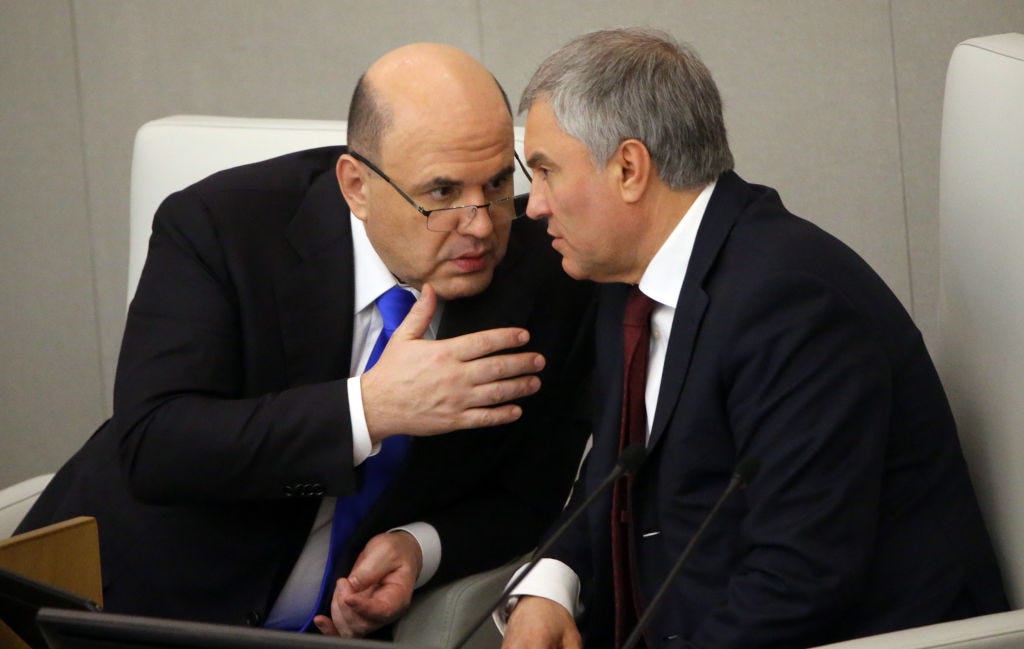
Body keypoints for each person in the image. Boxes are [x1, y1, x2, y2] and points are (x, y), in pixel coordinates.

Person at [17, 43, 593, 638]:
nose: (480, 223)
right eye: (442, 194)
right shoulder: (221, 227)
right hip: (129, 608)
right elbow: (154, 443)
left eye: (499, 183)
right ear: (356, 186)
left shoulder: (544, 272)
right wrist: (368, 409)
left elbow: (530, 495)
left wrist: (418, 547)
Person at [500, 28, 1007, 649]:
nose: (534, 205)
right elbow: (617, 471)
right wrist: (551, 581)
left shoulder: (793, 305)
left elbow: (799, 576)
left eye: (547, 172)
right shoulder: (624, 275)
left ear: (629, 169)